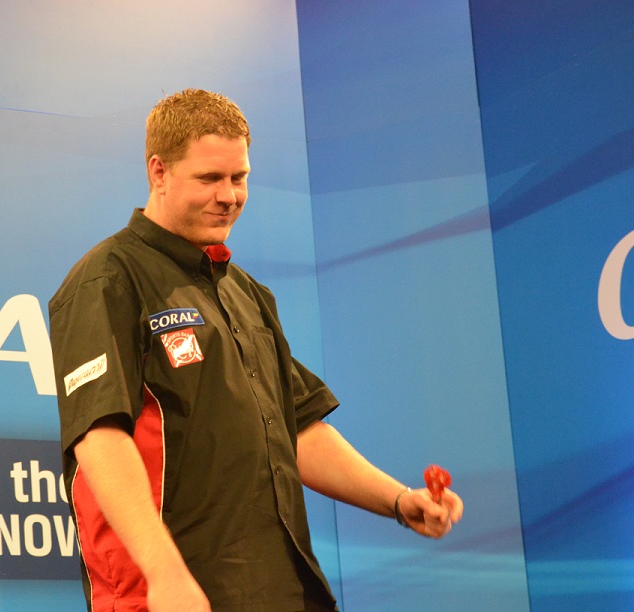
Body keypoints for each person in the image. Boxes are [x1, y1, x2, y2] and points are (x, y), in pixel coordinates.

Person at [49, 88, 464, 612]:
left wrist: (400, 502)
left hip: (281, 588)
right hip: (169, 594)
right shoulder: (107, 280)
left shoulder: (246, 292)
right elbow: (99, 438)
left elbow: (296, 428)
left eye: (238, 177)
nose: (229, 195)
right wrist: (164, 573)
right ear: (158, 172)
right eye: (209, 178)